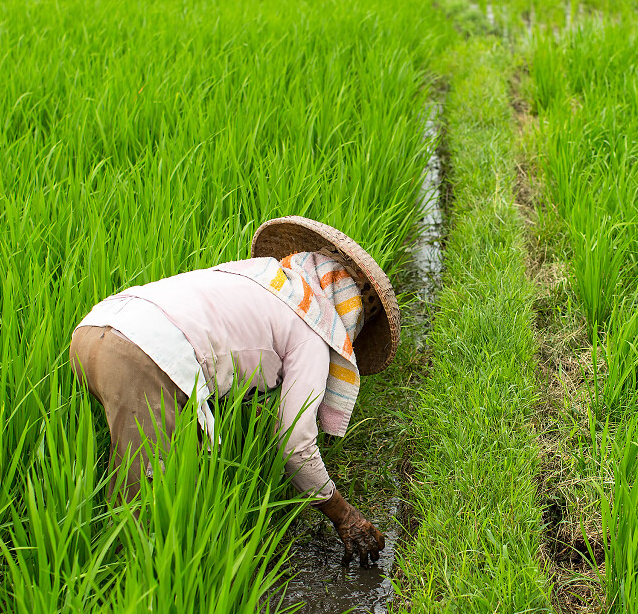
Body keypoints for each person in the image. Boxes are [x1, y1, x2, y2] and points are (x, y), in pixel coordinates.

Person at [69, 216, 397, 568]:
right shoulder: (312, 329)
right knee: (148, 505)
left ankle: (131, 573)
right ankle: (135, 587)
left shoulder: (254, 278)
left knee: (168, 471)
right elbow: (295, 444)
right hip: (143, 357)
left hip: (92, 332)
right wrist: (345, 516)